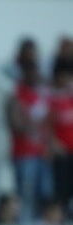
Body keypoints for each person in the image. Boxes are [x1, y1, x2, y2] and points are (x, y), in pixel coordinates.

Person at [6, 59, 52, 217]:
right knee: (25, 194)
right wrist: (28, 123)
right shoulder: (16, 95)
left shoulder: (40, 95)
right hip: (24, 153)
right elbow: (15, 124)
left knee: (43, 193)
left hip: (41, 153)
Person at [49, 63, 73, 210]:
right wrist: (54, 143)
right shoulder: (54, 100)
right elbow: (48, 125)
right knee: (62, 187)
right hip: (62, 153)